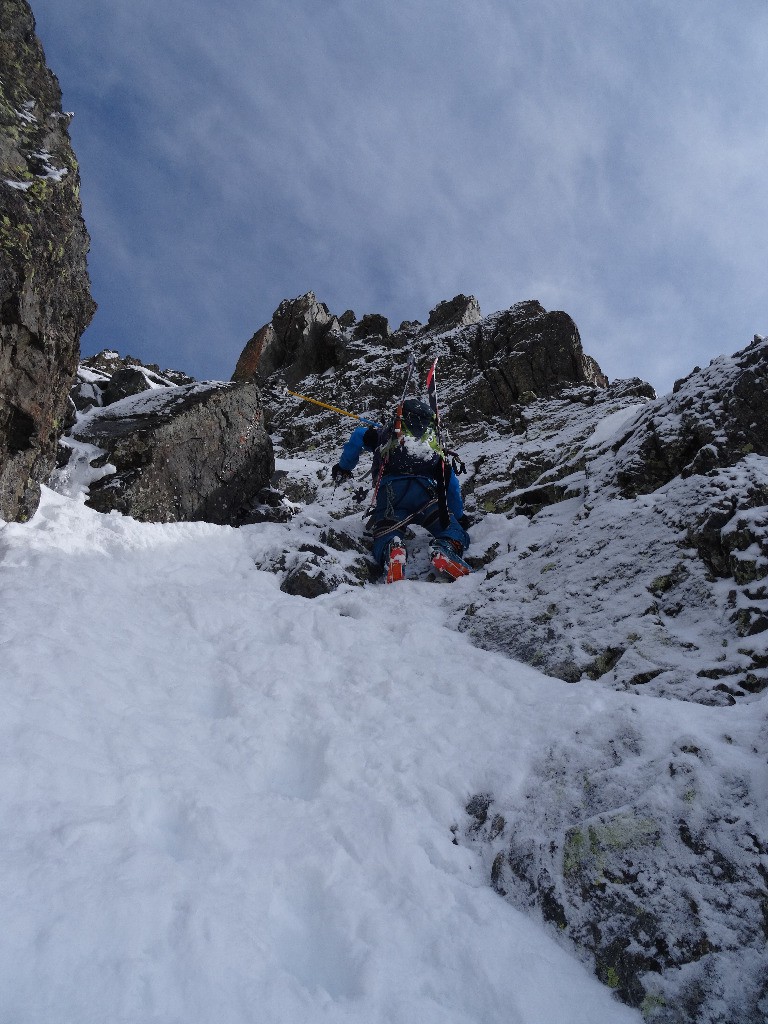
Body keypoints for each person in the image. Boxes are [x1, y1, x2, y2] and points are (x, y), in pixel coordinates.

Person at [331, 398, 472, 582]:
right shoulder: (432, 448)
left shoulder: (385, 435)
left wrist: (344, 467)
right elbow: (450, 483)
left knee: (386, 531)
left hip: (391, 496)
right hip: (425, 496)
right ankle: (445, 546)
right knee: (452, 528)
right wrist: (458, 516)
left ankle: (393, 549)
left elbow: (358, 435)